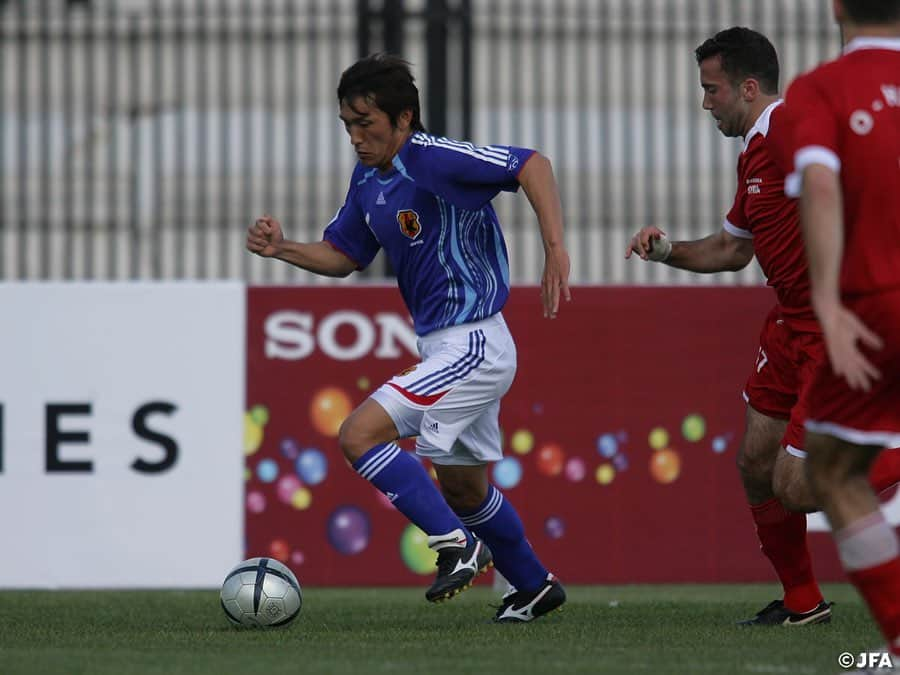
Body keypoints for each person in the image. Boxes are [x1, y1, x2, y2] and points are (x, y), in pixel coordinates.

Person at [246, 53, 570, 622]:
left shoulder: (433, 157)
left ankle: (455, 546)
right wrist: (284, 248)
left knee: (357, 435)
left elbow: (533, 165)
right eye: (347, 124)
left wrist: (555, 247)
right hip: (448, 346)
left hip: (473, 342)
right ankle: (533, 586)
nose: (355, 136)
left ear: (404, 118)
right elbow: (346, 255)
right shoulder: (369, 179)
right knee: (465, 491)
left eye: (366, 123)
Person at [625, 26, 900, 627]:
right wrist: (666, 249)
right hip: (788, 326)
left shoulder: (787, 129)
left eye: (711, 89)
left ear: (748, 88)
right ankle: (803, 601)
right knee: (755, 462)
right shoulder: (756, 150)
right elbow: (731, 249)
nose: (705, 103)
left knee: (801, 485)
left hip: (831, 326)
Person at [780, 0, 900, 660]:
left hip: (880, 305)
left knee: (825, 471)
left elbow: (821, 187)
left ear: (835, 7)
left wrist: (826, 300)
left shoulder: (823, 88)